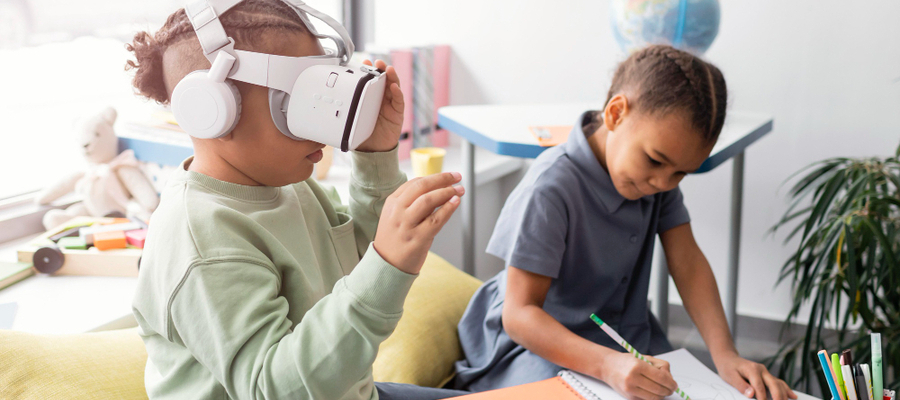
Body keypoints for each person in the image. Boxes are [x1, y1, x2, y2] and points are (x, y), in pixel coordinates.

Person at [127, 1, 469, 399]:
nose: (320, 128)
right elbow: (273, 388)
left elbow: (358, 270)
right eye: (294, 105)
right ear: (213, 109)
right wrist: (388, 265)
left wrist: (375, 158)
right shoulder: (203, 239)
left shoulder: (287, 181)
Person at [453, 45, 798, 400]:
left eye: (681, 172)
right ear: (616, 113)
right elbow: (520, 315)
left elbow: (689, 263)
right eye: (655, 160)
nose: (664, 183)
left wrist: (725, 354)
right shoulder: (549, 187)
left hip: (623, 338)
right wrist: (606, 365)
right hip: (533, 344)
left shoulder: (654, 181)